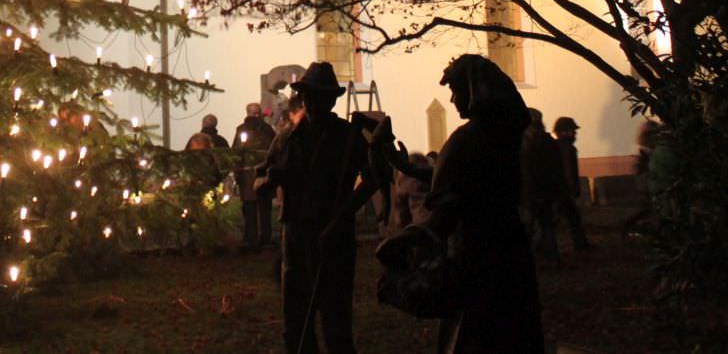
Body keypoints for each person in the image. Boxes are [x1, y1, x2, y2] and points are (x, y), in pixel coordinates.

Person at [401, 54, 544, 353]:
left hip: (475, 255)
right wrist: (407, 167)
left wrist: (410, 241)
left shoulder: (466, 140)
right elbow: (456, 177)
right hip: (511, 250)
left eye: (456, 90)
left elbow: (447, 208)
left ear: (475, 91)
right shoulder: (503, 138)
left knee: (475, 335)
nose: (452, 100)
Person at [260, 61, 377, 354]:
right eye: (310, 96)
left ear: (332, 100)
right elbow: (263, 177)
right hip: (295, 236)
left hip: (333, 235)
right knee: (296, 323)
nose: (314, 103)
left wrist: (345, 213)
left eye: (321, 97)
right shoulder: (285, 139)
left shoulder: (348, 137)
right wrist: (270, 180)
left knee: (336, 321)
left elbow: (374, 178)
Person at [520, 108, 566, 264]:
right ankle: (552, 259)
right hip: (544, 190)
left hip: (528, 191)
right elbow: (558, 168)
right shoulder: (548, 141)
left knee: (528, 226)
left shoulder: (519, 141)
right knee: (546, 226)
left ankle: (528, 260)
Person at [233, 102, 276, 251]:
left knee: (253, 209)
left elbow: (237, 153)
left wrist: (237, 173)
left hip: (250, 174)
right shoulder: (267, 129)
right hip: (260, 173)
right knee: (262, 208)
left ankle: (253, 239)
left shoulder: (243, 130)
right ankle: (262, 238)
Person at [550, 117, 590, 251]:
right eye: (572, 131)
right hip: (563, 190)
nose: (575, 134)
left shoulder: (554, 147)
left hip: (556, 189)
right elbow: (568, 170)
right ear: (565, 132)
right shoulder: (567, 148)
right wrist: (573, 188)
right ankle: (580, 244)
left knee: (558, 218)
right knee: (572, 218)